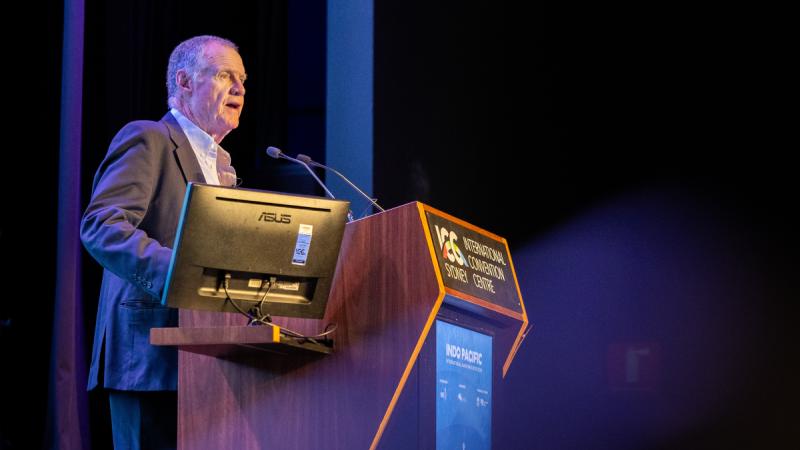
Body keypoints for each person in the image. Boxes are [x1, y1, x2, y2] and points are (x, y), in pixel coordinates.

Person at [80, 35, 246, 449]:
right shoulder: (149, 138)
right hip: (149, 356)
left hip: (211, 361)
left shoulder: (224, 169)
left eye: (243, 79)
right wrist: (183, 272)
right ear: (185, 81)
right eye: (226, 75)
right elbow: (102, 225)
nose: (240, 89)